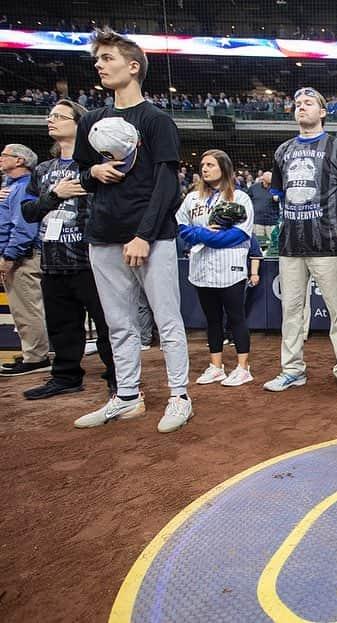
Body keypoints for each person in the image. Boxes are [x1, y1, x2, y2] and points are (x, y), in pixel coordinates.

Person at [72, 28, 192, 433]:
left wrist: (144, 234)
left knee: (167, 319)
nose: (99, 65)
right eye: (98, 59)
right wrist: (91, 170)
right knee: (118, 322)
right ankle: (127, 397)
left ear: (133, 66)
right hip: (103, 233)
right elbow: (79, 176)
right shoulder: (91, 120)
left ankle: (180, 396)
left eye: (108, 58)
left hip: (152, 236)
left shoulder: (156, 120)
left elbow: (166, 184)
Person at [265, 86, 337, 397]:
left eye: (308, 103)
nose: (301, 107)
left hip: (328, 245)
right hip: (291, 246)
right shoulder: (282, 151)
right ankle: (293, 370)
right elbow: (278, 197)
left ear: (323, 112)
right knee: (291, 312)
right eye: (297, 103)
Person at [19, 100, 115, 398]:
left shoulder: (94, 165)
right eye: (50, 116)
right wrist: (55, 195)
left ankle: (118, 377)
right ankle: (65, 376)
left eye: (59, 116)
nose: (51, 120)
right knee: (61, 325)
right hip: (52, 259)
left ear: (79, 124)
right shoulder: (42, 170)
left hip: (91, 258)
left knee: (107, 325)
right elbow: (28, 211)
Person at [176, 149, 255, 387]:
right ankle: (216, 366)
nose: (205, 169)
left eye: (210, 164)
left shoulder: (239, 198)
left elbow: (239, 235)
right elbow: (180, 227)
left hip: (230, 266)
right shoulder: (192, 198)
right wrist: (201, 233)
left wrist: (200, 236)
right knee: (212, 320)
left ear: (224, 168)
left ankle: (243, 367)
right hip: (201, 267)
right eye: (203, 165)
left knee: (236, 318)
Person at [0, 143, 51, 378]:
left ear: (20, 161)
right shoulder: (12, 187)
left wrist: (10, 256)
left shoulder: (22, 187)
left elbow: (22, 227)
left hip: (23, 256)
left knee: (27, 308)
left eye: (5, 155)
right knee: (23, 308)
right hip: (19, 253)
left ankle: (36, 357)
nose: (1, 158)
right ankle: (33, 351)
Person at [247, 171, 279, 251]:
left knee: (273, 245)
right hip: (257, 222)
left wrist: (279, 198)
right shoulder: (254, 188)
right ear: (262, 180)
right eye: (267, 183)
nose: (269, 186)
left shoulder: (276, 188)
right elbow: (247, 200)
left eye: (270, 183)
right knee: (258, 246)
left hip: (272, 222)